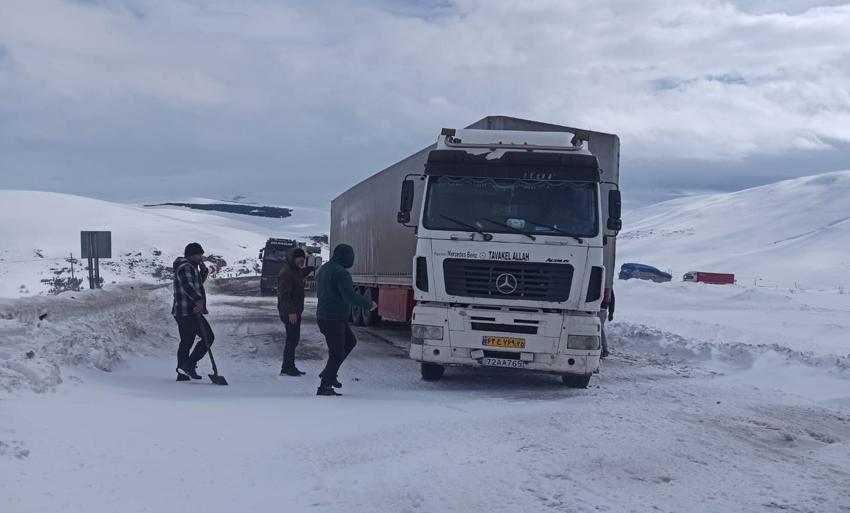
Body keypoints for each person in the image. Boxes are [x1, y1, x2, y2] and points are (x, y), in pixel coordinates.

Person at [314, 243, 376, 396]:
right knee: (337, 353)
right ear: (345, 256)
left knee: (350, 342)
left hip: (325, 316)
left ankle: (329, 373)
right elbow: (350, 296)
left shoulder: (324, 269)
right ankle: (325, 386)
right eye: (351, 256)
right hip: (333, 317)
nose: (352, 259)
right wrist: (369, 304)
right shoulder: (341, 273)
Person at [171, 242, 214, 381]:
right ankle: (188, 365)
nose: (201, 257)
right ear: (191, 255)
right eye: (198, 255)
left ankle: (182, 372)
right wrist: (198, 301)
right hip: (187, 311)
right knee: (208, 337)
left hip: (184, 311)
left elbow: (196, 283)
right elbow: (188, 286)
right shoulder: (185, 268)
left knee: (186, 341)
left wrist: (203, 272)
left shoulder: (190, 267)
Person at [277, 247, 315, 376]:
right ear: (293, 258)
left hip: (293, 311)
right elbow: (285, 295)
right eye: (300, 259)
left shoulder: (294, 270)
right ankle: (287, 368)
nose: (302, 261)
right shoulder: (287, 272)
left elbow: (298, 275)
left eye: (303, 259)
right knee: (292, 339)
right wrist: (291, 312)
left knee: (293, 339)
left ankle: (288, 366)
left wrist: (308, 270)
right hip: (290, 312)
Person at [600, 288, 615, 358]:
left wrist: (611, 313)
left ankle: (604, 348)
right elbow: (612, 300)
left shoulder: (604, 284)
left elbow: (612, 299)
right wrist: (611, 312)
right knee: (600, 328)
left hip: (600, 309)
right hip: (602, 309)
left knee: (600, 329)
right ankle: (603, 348)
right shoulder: (607, 285)